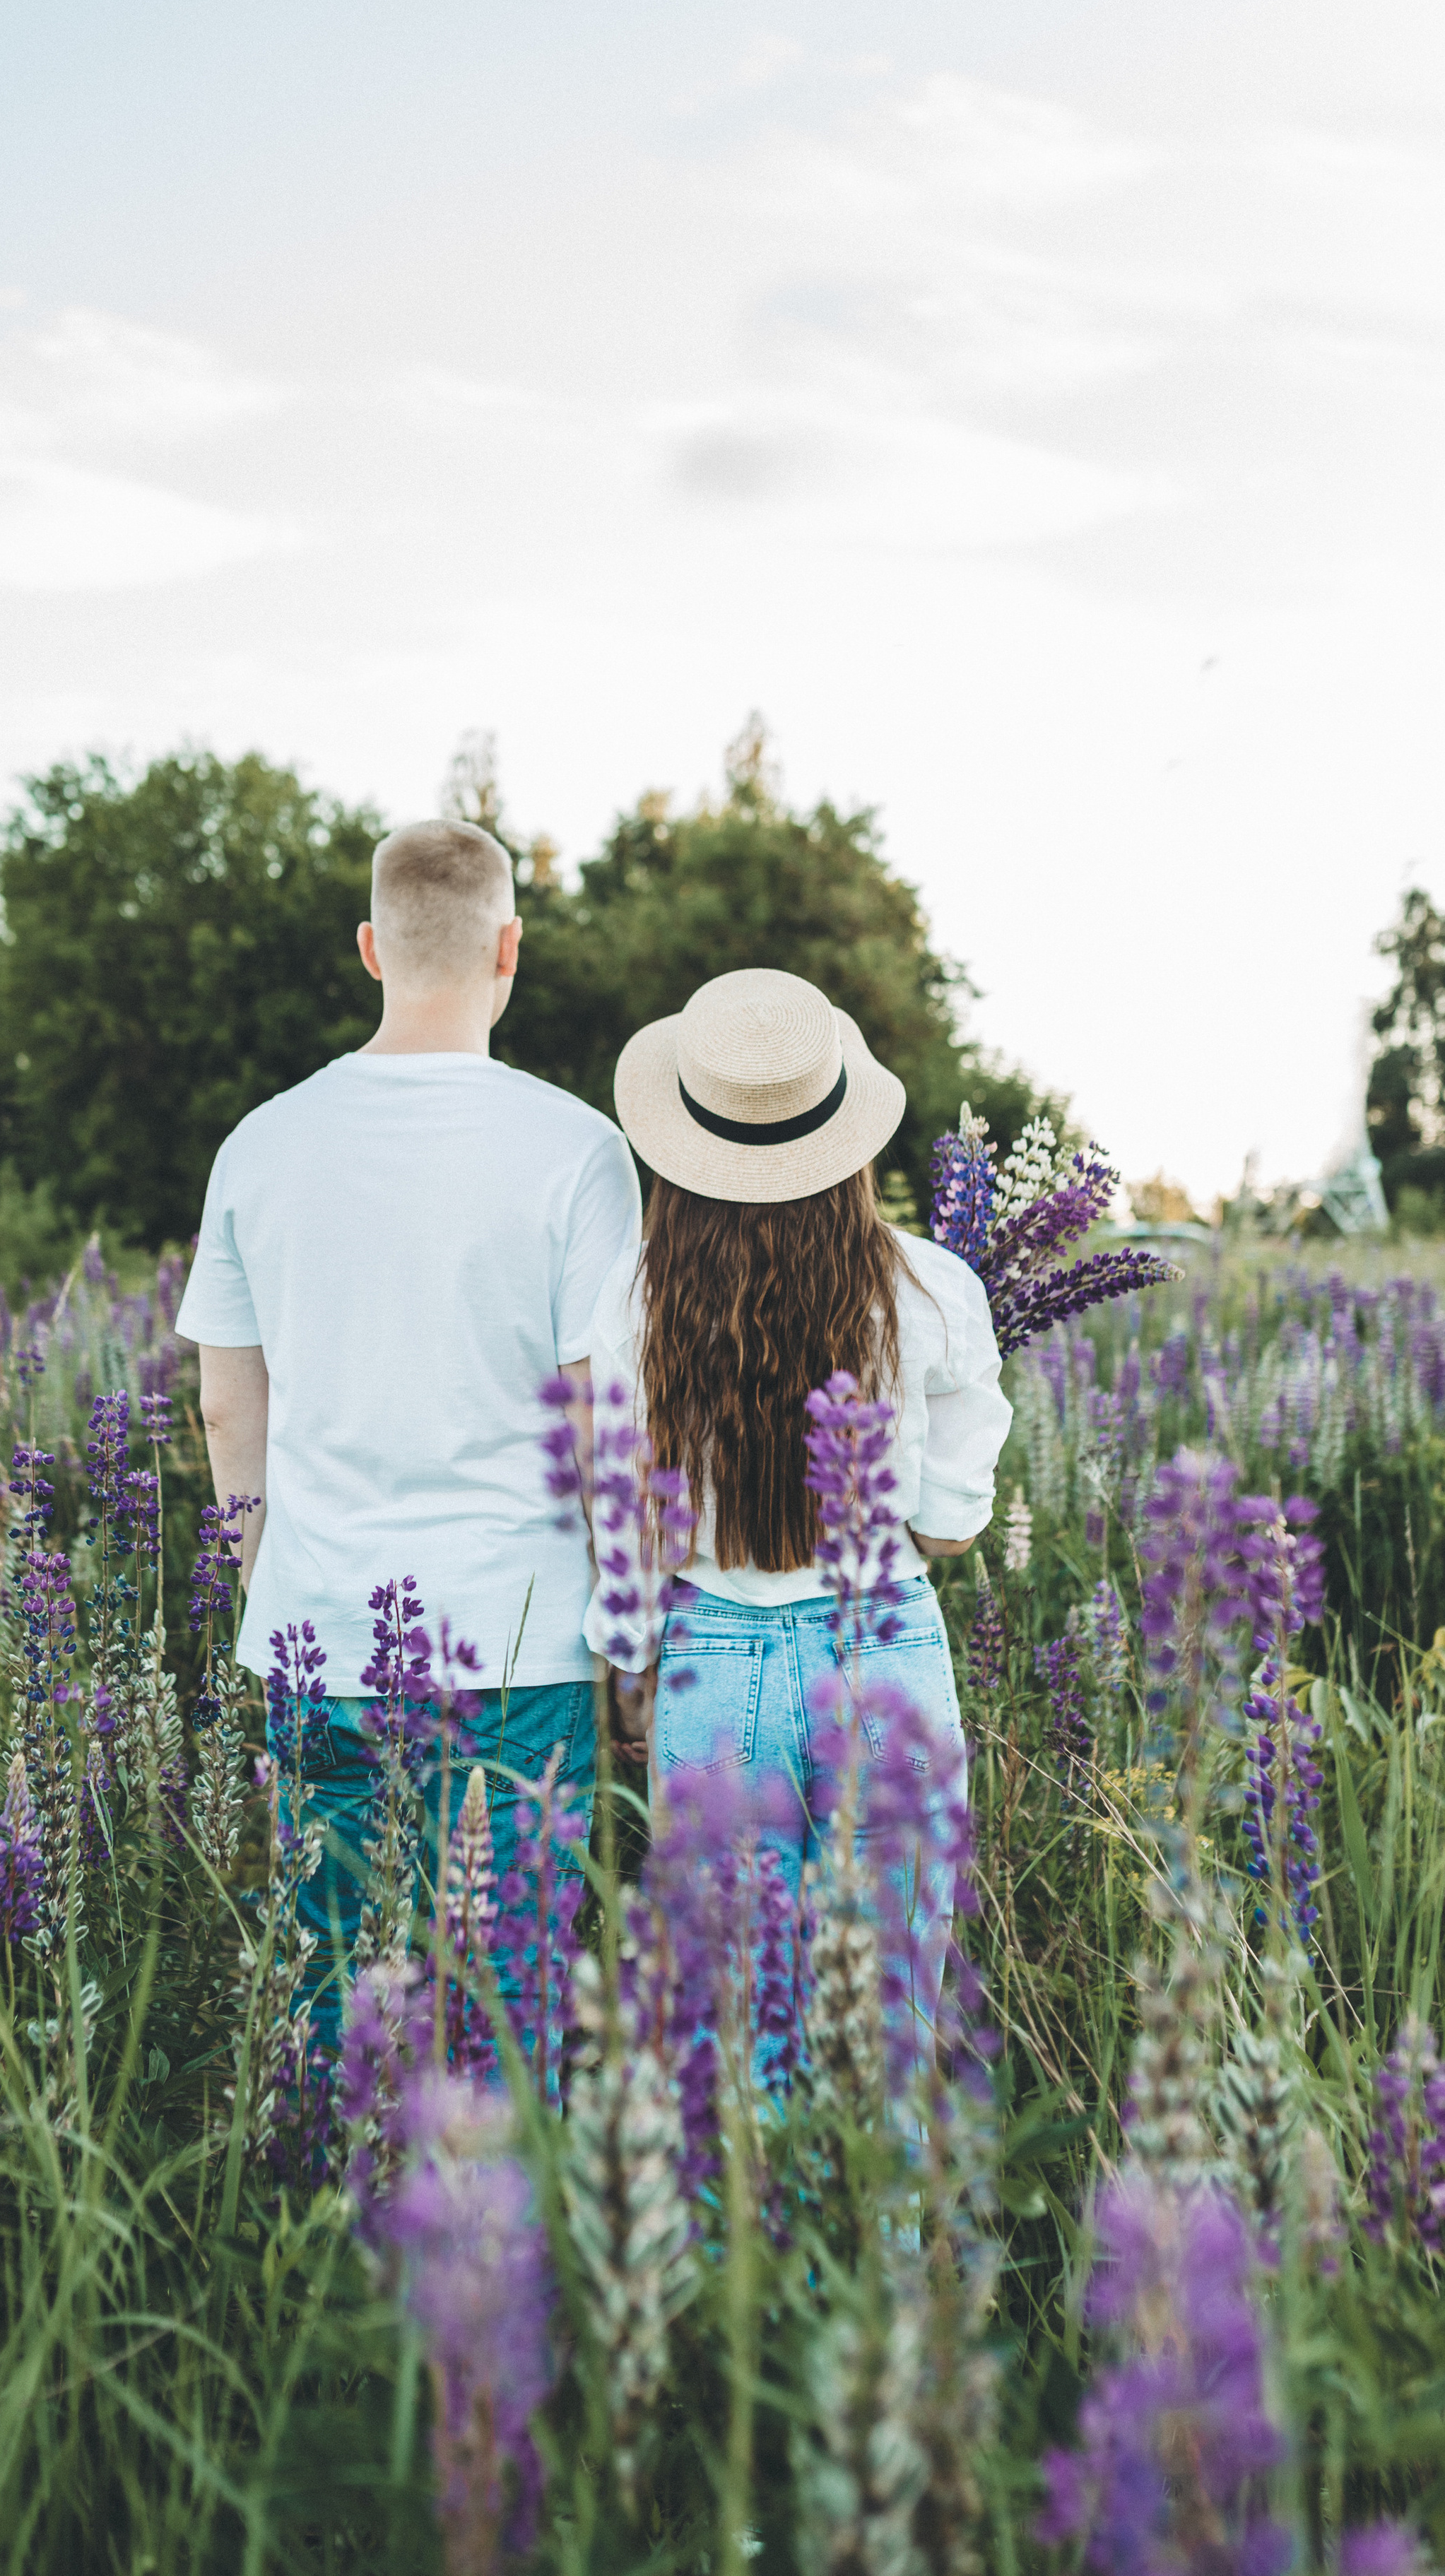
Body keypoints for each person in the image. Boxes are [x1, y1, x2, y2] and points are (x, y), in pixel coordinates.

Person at [175, 817, 641, 2039]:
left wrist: (261, 1598)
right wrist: (632, 1631)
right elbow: (606, 1427)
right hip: (520, 1648)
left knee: (336, 1985)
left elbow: (229, 1407)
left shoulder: (260, 1143)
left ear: (372, 949)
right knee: (509, 1989)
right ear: (511, 950)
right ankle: (490, 2231)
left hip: (318, 1639)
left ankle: (339, 2222)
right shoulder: (581, 1152)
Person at [589, 965, 1011, 2073]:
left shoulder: (635, 1300)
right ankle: (886, 2246)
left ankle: (759, 2247)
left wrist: (625, 1674)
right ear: (847, 1136)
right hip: (886, 1646)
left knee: (742, 2039)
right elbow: (957, 1524)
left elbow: (621, 1516)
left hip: (708, 1661)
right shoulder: (930, 1288)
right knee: (895, 2033)